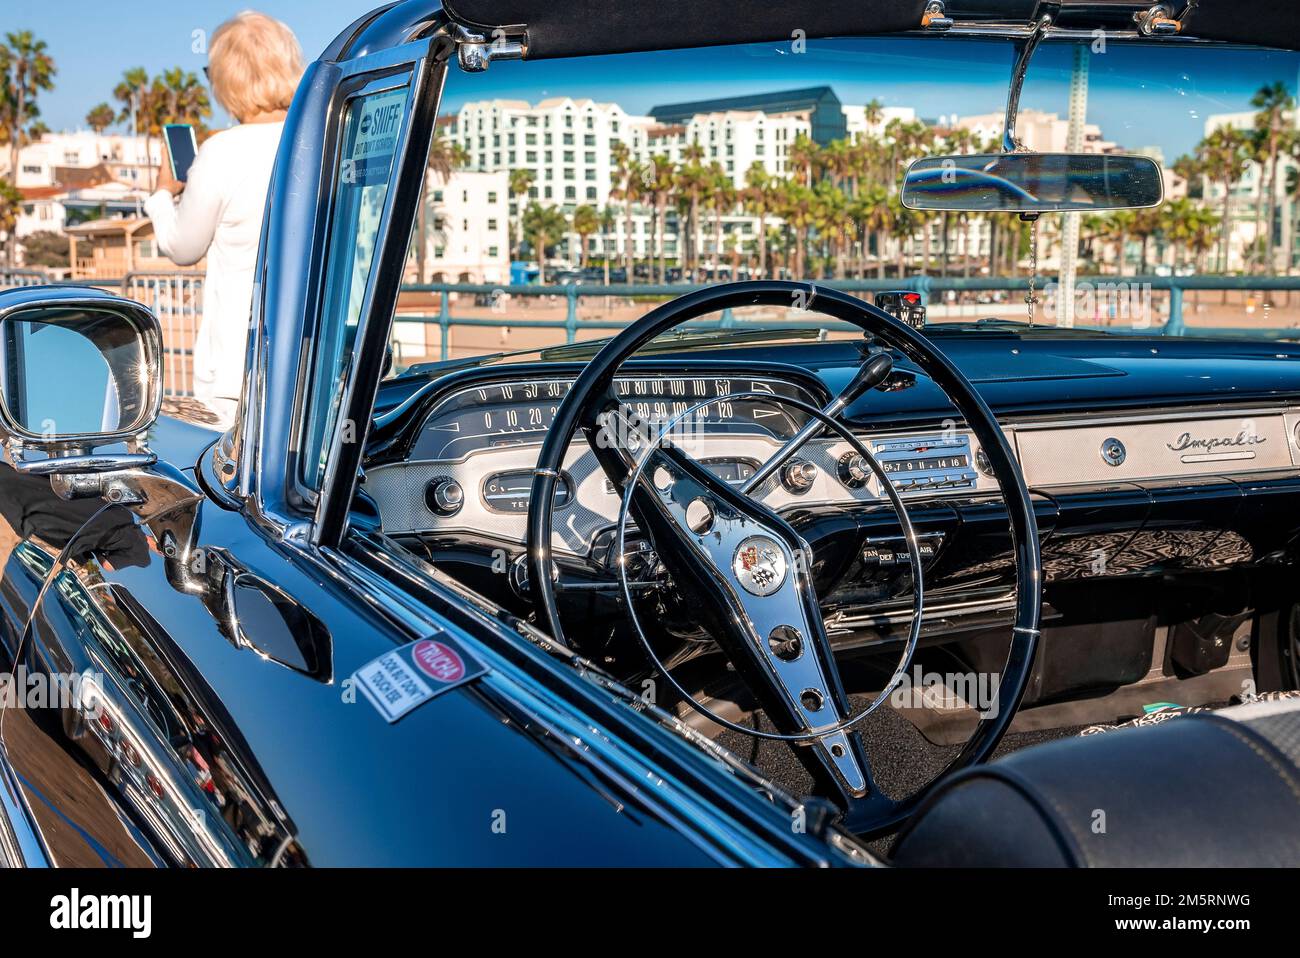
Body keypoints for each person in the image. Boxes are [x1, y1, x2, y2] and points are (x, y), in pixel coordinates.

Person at [145, 11, 304, 424]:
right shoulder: (321, 136)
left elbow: (183, 247)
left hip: (238, 371)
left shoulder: (222, 153)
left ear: (227, 79)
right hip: (313, 364)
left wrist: (162, 195)